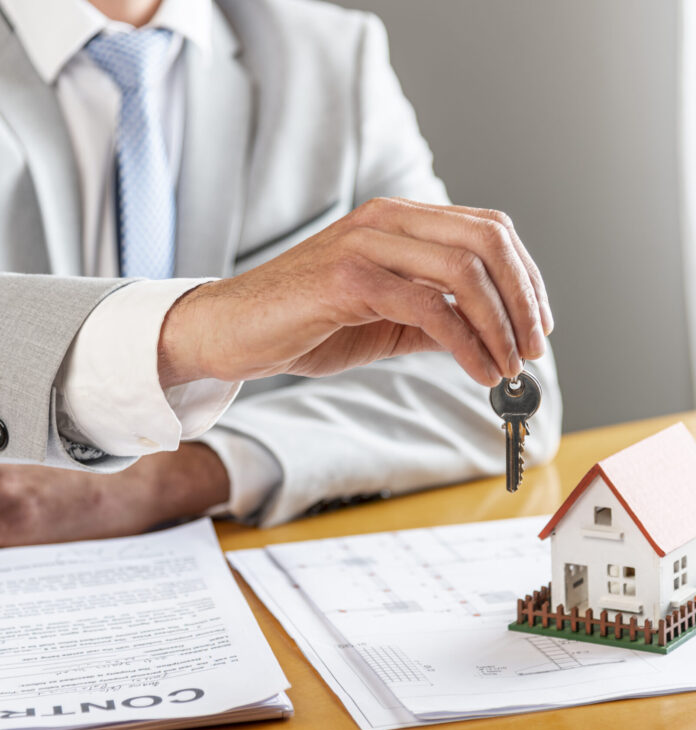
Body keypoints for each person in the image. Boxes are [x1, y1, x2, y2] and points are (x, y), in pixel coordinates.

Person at [0, 0, 562, 546]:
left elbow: (501, 388)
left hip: (229, 554)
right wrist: (199, 326)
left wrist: (175, 478)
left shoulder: (331, 54)